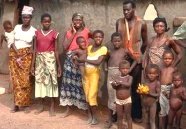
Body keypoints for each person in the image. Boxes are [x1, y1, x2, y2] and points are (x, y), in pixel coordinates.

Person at [116, 0, 148, 122]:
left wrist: (138, 54)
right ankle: (118, 112)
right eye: (124, 10)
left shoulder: (142, 23)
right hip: (122, 59)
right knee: (119, 84)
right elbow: (117, 38)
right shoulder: (119, 22)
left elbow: (145, 42)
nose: (126, 12)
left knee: (135, 86)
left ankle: (135, 114)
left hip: (135, 59)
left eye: (128, 9)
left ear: (134, 9)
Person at [60, 13, 91, 117]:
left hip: (82, 60)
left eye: (79, 20)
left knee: (82, 83)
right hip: (70, 59)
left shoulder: (87, 31)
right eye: (75, 20)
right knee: (68, 84)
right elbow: (64, 47)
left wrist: (86, 54)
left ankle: (85, 108)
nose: (77, 22)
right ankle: (69, 108)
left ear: (82, 21)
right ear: (72, 21)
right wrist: (73, 33)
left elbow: (92, 41)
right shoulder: (68, 32)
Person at [31, 13, 62, 116]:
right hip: (39, 60)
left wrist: (59, 66)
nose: (47, 23)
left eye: (48, 21)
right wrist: (32, 65)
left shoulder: (54, 34)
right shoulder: (36, 33)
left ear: (51, 22)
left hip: (50, 60)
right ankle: (41, 105)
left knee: (52, 82)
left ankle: (52, 106)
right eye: (45, 21)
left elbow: (56, 50)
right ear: (41, 22)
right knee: (40, 82)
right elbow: (35, 49)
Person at [104, 32, 136, 128]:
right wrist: (106, 67)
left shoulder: (125, 51)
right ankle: (110, 119)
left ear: (122, 41)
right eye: (115, 41)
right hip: (111, 75)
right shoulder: (109, 51)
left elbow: (135, 60)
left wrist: (129, 69)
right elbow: (105, 59)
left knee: (121, 95)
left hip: (121, 74)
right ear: (112, 41)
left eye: (118, 41)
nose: (116, 43)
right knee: (111, 96)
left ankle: (122, 120)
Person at [9, 6, 36, 113]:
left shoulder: (34, 31)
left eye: (28, 17)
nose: (26, 19)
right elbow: (11, 41)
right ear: (22, 18)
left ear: (31, 18)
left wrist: (31, 61)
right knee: (15, 82)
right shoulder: (16, 28)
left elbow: (33, 48)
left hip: (26, 58)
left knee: (26, 81)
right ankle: (16, 104)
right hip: (14, 56)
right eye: (24, 17)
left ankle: (26, 104)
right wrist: (17, 53)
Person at [80, 30, 107, 125]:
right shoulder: (89, 47)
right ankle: (90, 116)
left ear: (103, 38)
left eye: (100, 37)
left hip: (94, 75)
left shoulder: (103, 49)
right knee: (87, 96)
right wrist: (78, 60)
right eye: (96, 37)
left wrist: (85, 59)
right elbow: (83, 61)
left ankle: (95, 117)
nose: (98, 38)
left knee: (92, 96)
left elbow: (98, 62)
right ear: (93, 38)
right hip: (86, 75)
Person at [111, 60, 133, 129]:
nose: (125, 70)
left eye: (127, 68)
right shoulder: (117, 78)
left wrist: (120, 83)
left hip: (127, 100)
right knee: (119, 116)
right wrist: (113, 84)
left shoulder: (129, 77)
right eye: (123, 69)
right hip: (118, 100)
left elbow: (128, 84)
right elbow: (115, 88)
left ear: (129, 69)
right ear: (119, 69)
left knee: (128, 116)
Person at [159, 50, 178, 129]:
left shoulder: (174, 69)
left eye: (169, 58)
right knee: (162, 108)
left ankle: (170, 126)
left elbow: (177, 79)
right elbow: (159, 79)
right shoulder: (161, 69)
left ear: (173, 59)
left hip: (170, 89)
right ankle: (163, 126)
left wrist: (173, 88)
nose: (167, 60)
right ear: (163, 59)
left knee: (170, 108)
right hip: (162, 89)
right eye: (165, 58)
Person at [141, 64, 160, 129]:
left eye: (154, 73)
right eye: (150, 73)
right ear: (146, 74)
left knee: (152, 121)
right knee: (145, 121)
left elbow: (158, 94)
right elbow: (142, 93)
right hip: (144, 104)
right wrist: (140, 92)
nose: (151, 75)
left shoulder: (157, 83)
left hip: (152, 104)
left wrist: (149, 93)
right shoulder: (145, 82)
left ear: (157, 74)